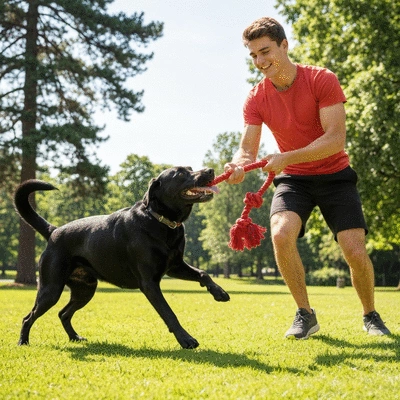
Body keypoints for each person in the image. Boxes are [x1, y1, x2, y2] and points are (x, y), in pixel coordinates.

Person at [225, 17, 390, 339]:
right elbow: (247, 149)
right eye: (253, 55)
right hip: (294, 180)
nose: (259, 61)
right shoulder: (256, 97)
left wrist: (286, 157)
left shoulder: (321, 79)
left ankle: (371, 316)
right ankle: (305, 314)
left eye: (265, 51)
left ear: (284, 46)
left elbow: (334, 139)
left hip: (336, 176)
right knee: (281, 234)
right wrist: (238, 166)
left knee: (354, 249)